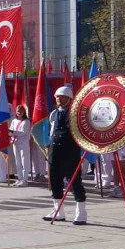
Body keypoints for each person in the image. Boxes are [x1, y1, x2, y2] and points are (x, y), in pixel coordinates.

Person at [43, 86, 87, 225]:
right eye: (57, 96)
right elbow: (51, 133)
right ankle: (58, 211)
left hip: (70, 153)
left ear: (69, 99)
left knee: (74, 182)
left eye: (62, 97)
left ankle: (81, 213)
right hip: (55, 153)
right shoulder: (53, 114)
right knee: (55, 182)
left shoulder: (75, 114)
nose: (59, 99)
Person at [9, 105, 32, 187]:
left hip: (23, 143)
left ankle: (25, 180)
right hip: (15, 143)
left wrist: (13, 133)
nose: (19, 113)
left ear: (24, 112)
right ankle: (19, 178)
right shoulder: (14, 121)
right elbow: (11, 130)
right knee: (17, 161)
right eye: (18, 111)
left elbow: (23, 132)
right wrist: (10, 134)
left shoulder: (26, 121)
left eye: (21, 111)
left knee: (24, 161)